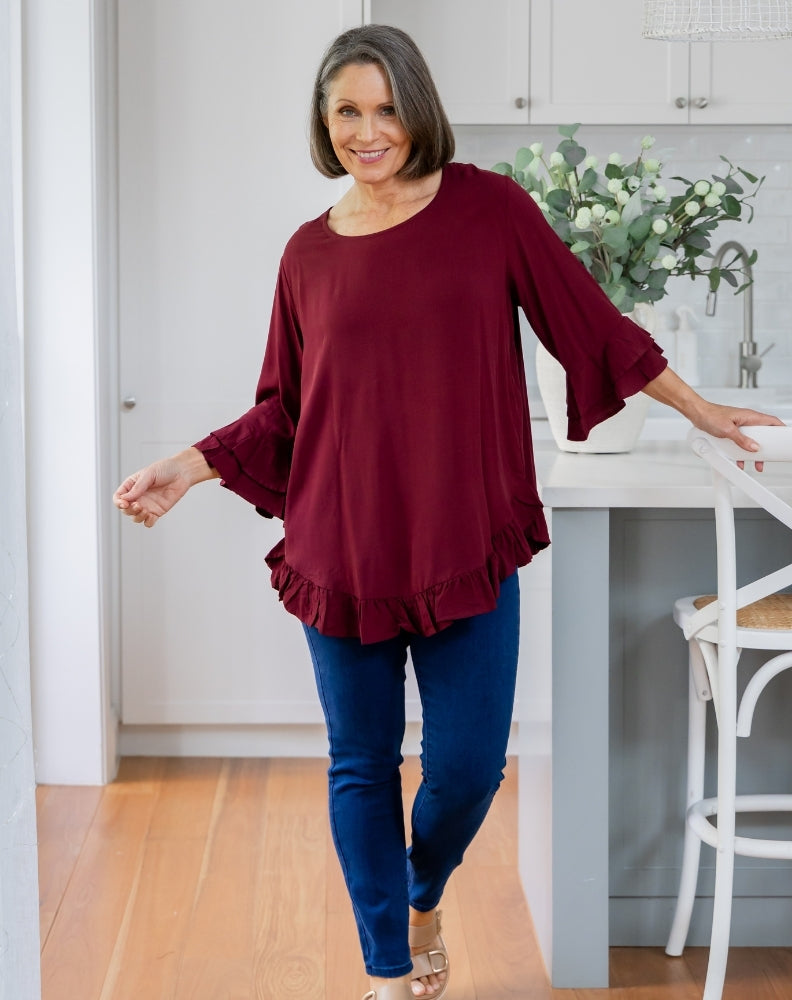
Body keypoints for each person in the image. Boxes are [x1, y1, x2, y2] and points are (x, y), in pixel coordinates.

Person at [113, 24, 782, 1000]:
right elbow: (285, 411)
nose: (368, 130)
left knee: (468, 766)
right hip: (341, 545)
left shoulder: (489, 210)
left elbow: (590, 322)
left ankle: (421, 893)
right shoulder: (307, 254)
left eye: (385, 107)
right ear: (325, 120)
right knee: (360, 766)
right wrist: (189, 465)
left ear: (417, 107)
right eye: (348, 110)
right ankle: (390, 967)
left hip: (463, 536)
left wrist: (703, 410)